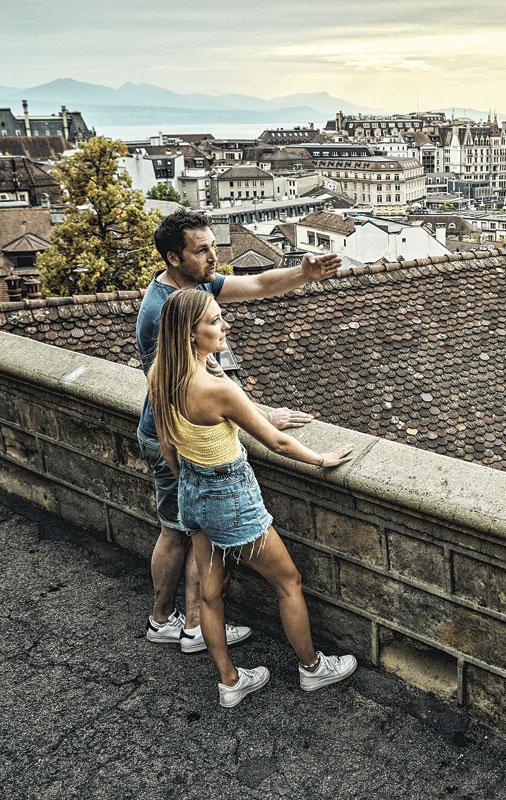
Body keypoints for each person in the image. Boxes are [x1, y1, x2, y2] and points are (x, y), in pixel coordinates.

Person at [136, 209, 340, 654]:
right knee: (179, 530)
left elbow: (262, 285)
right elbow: (186, 389)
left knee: (188, 528)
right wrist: (259, 418)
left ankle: (184, 624)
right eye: (202, 250)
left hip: (181, 435)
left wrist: (303, 273)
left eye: (212, 246)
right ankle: (179, 624)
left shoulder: (195, 287)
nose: (213, 257)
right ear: (174, 257)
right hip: (175, 435)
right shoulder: (162, 311)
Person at [149, 288, 357, 706]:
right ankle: (312, 668)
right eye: (214, 321)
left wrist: (188, 482)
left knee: (210, 592)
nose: (224, 325)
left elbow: (168, 446)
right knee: (289, 581)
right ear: (191, 333)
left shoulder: (162, 373)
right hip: (231, 497)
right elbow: (276, 441)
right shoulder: (214, 389)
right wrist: (319, 458)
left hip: (192, 491)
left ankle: (230, 682)